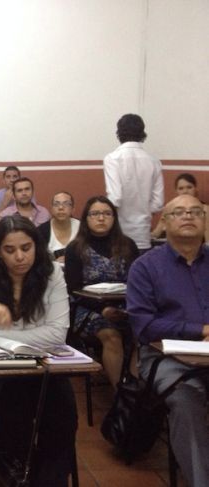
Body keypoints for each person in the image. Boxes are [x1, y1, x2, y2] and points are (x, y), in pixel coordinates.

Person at [0, 215, 75, 486]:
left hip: (43, 369)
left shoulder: (52, 274)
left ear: (37, 247)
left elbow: (57, 334)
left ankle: (46, 479)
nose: (20, 257)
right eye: (10, 250)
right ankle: (8, 473)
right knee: (14, 401)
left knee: (63, 409)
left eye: (26, 248)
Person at [127, 194, 209, 487]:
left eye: (196, 211)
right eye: (179, 212)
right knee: (187, 400)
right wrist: (199, 330)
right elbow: (144, 326)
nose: (188, 216)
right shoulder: (145, 267)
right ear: (163, 222)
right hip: (165, 357)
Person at [64, 196, 139, 388]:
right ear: (86, 218)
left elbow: (138, 284)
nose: (101, 218)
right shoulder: (75, 249)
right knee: (111, 335)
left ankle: (134, 391)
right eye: (95, 214)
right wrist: (103, 309)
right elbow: (73, 289)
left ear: (114, 218)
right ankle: (120, 397)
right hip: (88, 308)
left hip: (126, 306)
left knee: (138, 335)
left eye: (107, 213)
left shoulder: (128, 246)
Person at [103, 113, 164, 251]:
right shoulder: (154, 161)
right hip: (144, 235)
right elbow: (158, 203)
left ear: (119, 133)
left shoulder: (112, 158)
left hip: (120, 236)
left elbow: (115, 198)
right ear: (142, 132)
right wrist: (144, 212)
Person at [151, 173, 209, 242]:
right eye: (181, 188)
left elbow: (208, 240)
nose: (185, 191)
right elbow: (156, 233)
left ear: (195, 189)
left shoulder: (204, 209)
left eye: (189, 187)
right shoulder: (169, 208)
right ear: (176, 191)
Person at [37, 191, 80, 263]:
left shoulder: (82, 227)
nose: (60, 207)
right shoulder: (41, 231)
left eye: (66, 204)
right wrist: (54, 263)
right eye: (56, 204)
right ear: (51, 209)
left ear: (73, 209)